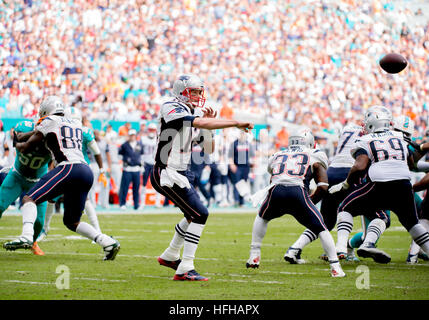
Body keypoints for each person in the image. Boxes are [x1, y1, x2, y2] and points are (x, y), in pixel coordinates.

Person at [151, 74, 253, 281]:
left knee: (193, 214)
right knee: (200, 214)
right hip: (167, 172)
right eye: (193, 92)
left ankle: (170, 255)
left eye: (199, 92)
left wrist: (209, 129)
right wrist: (233, 123)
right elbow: (202, 124)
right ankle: (185, 267)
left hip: (180, 172)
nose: (198, 96)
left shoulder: (189, 112)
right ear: (181, 92)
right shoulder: (171, 106)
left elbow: (208, 148)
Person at [3, 96, 120, 261]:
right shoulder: (75, 123)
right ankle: (107, 242)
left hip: (68, 167)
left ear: (46, 112)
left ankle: (27, 236)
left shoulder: (49, 120)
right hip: (85, 171)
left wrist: (17, 144)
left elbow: (29, 144)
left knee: (30, 198)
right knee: (72, 221)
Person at [329, 106, 429, 263]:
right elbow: (410, 163)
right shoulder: (400, 137)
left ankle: (341, 247)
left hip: (380, 184)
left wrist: (347, 183)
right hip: (404, 184)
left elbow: (360, 166)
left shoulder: (365, 140)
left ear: (370, 124)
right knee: (413, 224)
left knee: (345, 207)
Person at [246, 128, 346, 277]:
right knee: (321, 228)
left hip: (276, 191)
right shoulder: (315, 155)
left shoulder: (278, 154)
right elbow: (323, 186)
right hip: (298, 192)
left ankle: (254, 255)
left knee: (262, 216)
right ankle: (335, 267)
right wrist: (310, 201)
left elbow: (273, 175)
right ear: (310, 143)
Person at [40, 107, 107, 239]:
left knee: (52, 199)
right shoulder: (84, 130)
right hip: (80, 168)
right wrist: (101, 169)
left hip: (65, 167)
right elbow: (96, 151)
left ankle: (45, 229)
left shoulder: (60, 127)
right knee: (83, 201)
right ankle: (98, 232)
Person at [0, 120, 51, 255]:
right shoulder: (24, 131)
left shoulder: (49, 141)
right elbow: (18, 142)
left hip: (37, 181)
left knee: (39, 221)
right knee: (0, 205)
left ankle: (33, 242)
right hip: (17, 176)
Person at [118, 129, 144, 210]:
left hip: (136, 169)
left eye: (133, 135)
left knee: (136, 188)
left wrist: (142, 166)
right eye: (131, 135)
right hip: (127, 169)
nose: (132, 137)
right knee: (124, 188)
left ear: (135, 135)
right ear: (129, 136)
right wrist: (123, 162)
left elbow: (142, 155)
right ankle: (122, 203)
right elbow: (119, 155)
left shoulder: (139, 144)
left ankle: (136, 204)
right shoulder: (124, 145)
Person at [139, 122, 158, 208]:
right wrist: (141, 163)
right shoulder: (143, 139)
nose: (151, 131)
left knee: (158, 184)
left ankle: (157, 202)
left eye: (153, 130)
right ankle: (142, 202)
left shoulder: (158, 139)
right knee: (144, 184)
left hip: (155, 164)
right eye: (150, 130)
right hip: (145, 164)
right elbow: (139, 152)